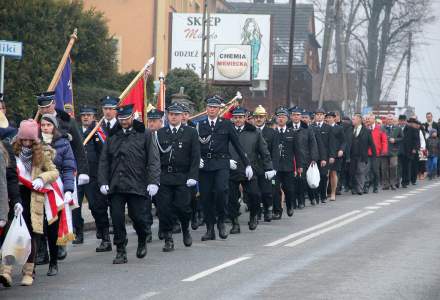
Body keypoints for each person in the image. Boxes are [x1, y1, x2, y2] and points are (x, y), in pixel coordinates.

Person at [98, 104, 160, 264]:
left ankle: (142, 238)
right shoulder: (112, 135)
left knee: (138, 217)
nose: (124, 122)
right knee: (117, 218)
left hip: (137, 183)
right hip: (116, 184)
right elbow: (104, 160)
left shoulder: (145, 134)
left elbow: (153, 160)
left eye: (126, 118)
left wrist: (153, 181)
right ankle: (120, 250)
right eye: (121, 119)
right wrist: (103, 181)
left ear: (132, 117)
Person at [0, 120, 59, 287]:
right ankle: (6, 272)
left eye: (29, 140)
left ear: (34, 140)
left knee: (31, 236)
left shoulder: (43, 153)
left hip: (33, 197)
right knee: (10, 235)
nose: (26, 143)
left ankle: (28, 272)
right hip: (15, 196)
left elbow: (54, 172)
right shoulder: (9, 151)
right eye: (23, 140)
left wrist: (42, 178)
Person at [36, 91, 89, 261]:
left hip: (63, 173)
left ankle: (60, 245)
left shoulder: (67, 120)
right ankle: (42, 250)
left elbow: (79, 148)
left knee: (59, 211)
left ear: (53, 104)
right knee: (40, 214)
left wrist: (83, 171)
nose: (45, 110)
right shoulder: (35, 121)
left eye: (47, 106)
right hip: (40, 175)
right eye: (41, 107)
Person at [198, 96, 251, 241]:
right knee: (206, 196)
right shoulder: (200, 125)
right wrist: (197, 159)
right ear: (206, 109)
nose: (212, 109)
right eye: (209, 107)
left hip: (222, 163)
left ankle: (221, 222)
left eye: (215, 107)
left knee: (221, 192)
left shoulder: (226, 124)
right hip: (205, 165)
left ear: (219, 109)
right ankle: (210, 228)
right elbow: (195, 146)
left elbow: (237, 145)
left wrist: (247, 164)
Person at [155, 103, 200, 251]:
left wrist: (193, 176)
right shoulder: (160, 133)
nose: (173, 117)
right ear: (167, 116)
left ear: (182, 116)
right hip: (165, 176)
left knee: (183, 208)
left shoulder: (191, 132)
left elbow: (195, 156)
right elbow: (155, 158)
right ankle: (168, 238)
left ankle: (185, 229)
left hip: (183, 176)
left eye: (176, 114)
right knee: (164, 209)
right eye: (171, 114)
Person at [40, 114, 76, 276]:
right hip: (38, 188)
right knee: (38, 227)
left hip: (57, 189)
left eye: (48, 125)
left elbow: (68, 167)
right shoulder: (35, 143)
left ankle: (53, 262)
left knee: (52, 228)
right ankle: (39, 257)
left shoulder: (63, 143)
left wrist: (68, 189)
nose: (45, 128)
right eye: (43, 125)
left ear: (54, 127)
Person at [228, 106, 273, 234]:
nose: (238, 120)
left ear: (245, 118)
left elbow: (264, 152)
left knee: (255, 195)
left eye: (240, 117)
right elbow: (221, 148)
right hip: (232, 169)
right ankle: (234, 223)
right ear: (232, 119)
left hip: (249, 170)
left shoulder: (254, 132)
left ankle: (254, 215)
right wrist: (226, 160)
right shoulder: (227, 131)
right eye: (236, 117)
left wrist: (269, 168)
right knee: (231, 199)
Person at [73, 105, 112, 251]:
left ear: (94, 117)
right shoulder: (76, 131)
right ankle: (79, 232)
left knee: (97, 206)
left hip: (93, 175)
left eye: (89, 115)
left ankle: (104, 233)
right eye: (83, 115)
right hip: (77, 174)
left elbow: (104, 153)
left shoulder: (98, 131)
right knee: (75, 206)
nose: (85, 117)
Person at [273, 107, 304, 219]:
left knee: (289, 189)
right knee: (275, 189)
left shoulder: (292, 132)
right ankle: (277, 211)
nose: (281, 119)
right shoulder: (273, 132)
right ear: (276, 118)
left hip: (288, 166)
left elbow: (297, 150)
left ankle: (290, 205)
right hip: (275, 167)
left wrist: (299, 165)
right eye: (279, 117)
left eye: (283, 117)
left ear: (287, 119)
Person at [253, 105, 279, 221]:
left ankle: (268, 208)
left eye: (261, 117)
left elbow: (275, 152)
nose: (258, 119)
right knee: (254, 192)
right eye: (257, 117)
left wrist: (273, 168)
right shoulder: (249, 131)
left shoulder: (271, 133)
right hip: (253, 166)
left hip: (266, 166)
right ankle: (257, 211)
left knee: (267, 191)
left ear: (265, 118)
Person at [290, 107, 317, 208]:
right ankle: (293, 202)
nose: (296, 117)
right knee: (292, 182)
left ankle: (301, 201)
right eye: (294, 115)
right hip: (290, 159)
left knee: (301, 181)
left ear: (300, 116)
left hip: (304, 158)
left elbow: (313, 144)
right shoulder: (288, 127)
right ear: (291, 116)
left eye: (298, 115)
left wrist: (313, 158)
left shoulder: (307, 128)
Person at [311, 108, 335, 203]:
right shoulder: (311, 127)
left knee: (323, 176)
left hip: (324, 156)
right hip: (313, 156)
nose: (319, 116)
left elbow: (331, 144)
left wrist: (331, 156)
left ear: (324, 116)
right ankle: (315, 196)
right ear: (315, 116)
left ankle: (323, 195)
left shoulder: (328, 128)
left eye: (321, 114)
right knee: (314, 176)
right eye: (317, 114)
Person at [350, 114, 376, 195]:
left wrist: (374, 155)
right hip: (352, 155)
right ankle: (354, 187)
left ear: (359, 120)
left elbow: (371, 144)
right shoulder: (350, 129)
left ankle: (360, 188)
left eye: (354, 119)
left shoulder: (367, 131)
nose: (352, 121)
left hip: (362, 155)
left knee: (360, 171)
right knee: (352, 172)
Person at [365, 115, 388, 193]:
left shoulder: (380, 128)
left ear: (374, 120)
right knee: (367, 170)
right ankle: (366, 186)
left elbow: (384, 141)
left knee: (375, 171)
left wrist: (384, 150)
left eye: (369, 119)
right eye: (367, 119)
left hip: (377, 153)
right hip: (367, 153)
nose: (367, 120)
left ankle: (375, 186)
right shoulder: (365, 128)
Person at [326, 112, 346, 201]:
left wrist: (341, 150)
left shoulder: (339, 128)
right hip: (325, 154)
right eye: (328, 117)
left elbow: (344, 141)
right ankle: (324, 192)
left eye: (330, 117)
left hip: (335, 153)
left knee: (333, 173)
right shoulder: (324, 127)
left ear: (334, 118)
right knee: (325, 174)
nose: (329, 119)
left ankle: (333, 192)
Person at [381, 115, 403, 190]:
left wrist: (395, 140)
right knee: (384, 168)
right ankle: (385, 184)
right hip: (384, 151)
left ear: (393, 120)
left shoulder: (398, 128)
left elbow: (402, 138)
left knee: (393, 167)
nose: (390, 120)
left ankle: (393, 183)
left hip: (393, 151)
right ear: (386, 120)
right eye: (388, 119)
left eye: (391, 119)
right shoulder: (382, 127)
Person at [401, 118, 421, 188]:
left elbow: (416, 140)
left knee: (408, 166)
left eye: (411, 123)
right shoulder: (403, 128)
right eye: (409, 122)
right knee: (403, 167)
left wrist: (415, 148)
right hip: (403, 150)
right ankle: (404, 180)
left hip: (410, 150)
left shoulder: (414, 129)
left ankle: (406, 181)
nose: (410, 124)